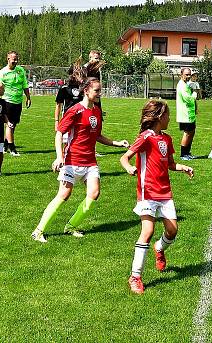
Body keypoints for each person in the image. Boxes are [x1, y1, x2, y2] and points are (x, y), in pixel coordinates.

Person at [31, 78, 130, 243]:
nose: (100, 93)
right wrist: (59, 156)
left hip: (90, 161)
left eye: (100, 90)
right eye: (97, 91)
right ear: (86, 91)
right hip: (72, 160)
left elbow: (97, 135)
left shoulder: (97, 111)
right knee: (64, 194)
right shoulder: (75, 110)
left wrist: (116, 143)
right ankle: (38, 231)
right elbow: (59, 133)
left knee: (94, 193)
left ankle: (71, 226)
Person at [120, 100, 194, 295]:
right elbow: (124, 157)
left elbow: (170, 164)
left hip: (164, 191)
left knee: (172, 230)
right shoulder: (145, 137)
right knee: (148, 230)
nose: (170, 118)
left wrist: (183, 167)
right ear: (159, 117)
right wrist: (129, 167)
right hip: (148, 192)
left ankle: (159, 248)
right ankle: (135, 276)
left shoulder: (167, 139)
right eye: (168, 115)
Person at [0, 50, 32, 156]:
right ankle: (12, 148)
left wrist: (28, 98)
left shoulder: (20, 70)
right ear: (8, 59)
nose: (16, 61)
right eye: (13, 59)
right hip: (7, 101)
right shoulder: (2, 72)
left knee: (13, 124)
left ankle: (5, 146)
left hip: (18, 101)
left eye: (17, 59)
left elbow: (24, 85)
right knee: (9, 125)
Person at [55, 61, 86, 146]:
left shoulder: (84, 88)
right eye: (78, 74)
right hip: (67, 117)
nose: (81, 76)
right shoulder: (64, 88)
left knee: (81, 138)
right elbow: (58, 105)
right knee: (66, 141)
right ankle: (63, 157)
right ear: (73, 74)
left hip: (81, 117)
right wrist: (57, 121)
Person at [176, 67, 198, 160]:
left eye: (189, 74)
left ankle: (188, 153)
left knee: (191, 132)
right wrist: (195, 92)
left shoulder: (186, 84)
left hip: (190, 114)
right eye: (186, 74)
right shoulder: (182, 86)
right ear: (181, 75)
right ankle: (183, 154)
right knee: (187, 133)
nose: (188, 76)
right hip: (185, 115)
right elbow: (189, 100)